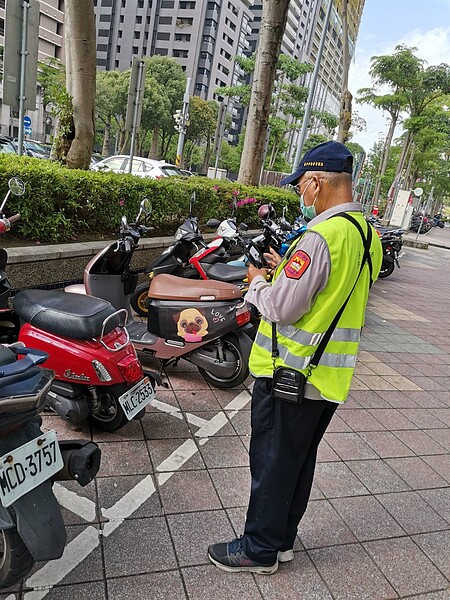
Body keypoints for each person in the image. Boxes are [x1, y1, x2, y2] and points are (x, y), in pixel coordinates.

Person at [207, 141, 383, 574]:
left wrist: (257, 282)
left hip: (292, 372)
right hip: (327, 378)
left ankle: (259, 550)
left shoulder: (321, 235)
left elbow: (282, 308)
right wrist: (286, 269)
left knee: (271, 462)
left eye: (302, 185)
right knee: (297, 461)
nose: (301, 195)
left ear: (317, 182)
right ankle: (282, 540)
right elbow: (337, 289)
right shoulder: (366, 234)